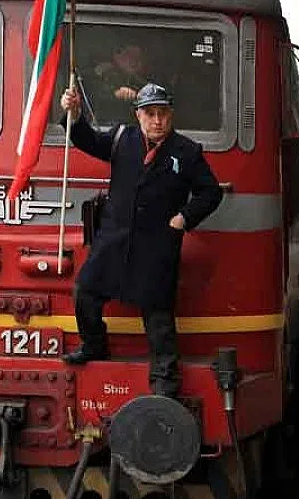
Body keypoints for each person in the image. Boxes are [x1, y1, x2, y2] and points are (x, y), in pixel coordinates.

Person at [59, 83, 224, 398]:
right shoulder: (122, 139)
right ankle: (94, 345)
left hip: (158, 245)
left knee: (158, 315)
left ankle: (165, 378)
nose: (157, 120)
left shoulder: (187, 151)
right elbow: (85, 139)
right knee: (85, 291)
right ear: (138, 115)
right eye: (150, 113)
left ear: (171, 115)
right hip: (114, 240)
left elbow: (211, 192)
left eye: (163, 113)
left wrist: (185, 218)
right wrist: (74, 114)